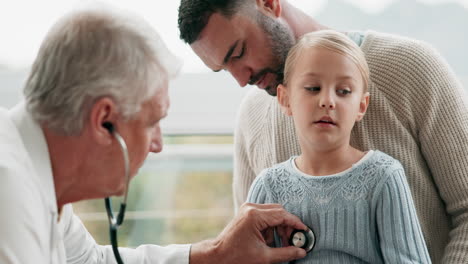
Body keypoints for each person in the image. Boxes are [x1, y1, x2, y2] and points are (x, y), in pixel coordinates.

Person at [0, 6, 309, 264]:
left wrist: (218, 253)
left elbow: (91, 261)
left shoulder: (40, 177)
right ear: (103, 121)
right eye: (152, 123)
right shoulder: (9, 196)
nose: (158, 145)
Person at [177, 0, 468, 263]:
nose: (241, 79)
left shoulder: (411, 67)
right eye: (225, 68)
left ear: (268, 4)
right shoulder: (252, 118)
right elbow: (251, 249)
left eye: (239, 52)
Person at [247, 30, 431, 263]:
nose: (328, 101)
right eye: (313, 88)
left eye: (343, 91)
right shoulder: (268, 186)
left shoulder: (383, 175)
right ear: (285, 99)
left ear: (361, 106)